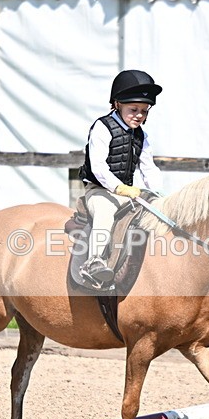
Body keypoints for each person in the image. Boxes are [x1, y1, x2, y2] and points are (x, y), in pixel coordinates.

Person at [78, 69, 164, 288]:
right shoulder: (102, 127)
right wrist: (119, 188)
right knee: (106, 212)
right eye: (133, 109)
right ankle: (94, 261)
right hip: (100, 191)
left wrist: (157, 195)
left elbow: (149, 167)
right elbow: (98, 167)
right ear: (117, 104)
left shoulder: (141, 135)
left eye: (144, 111)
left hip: (128, 192)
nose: (139, 115)